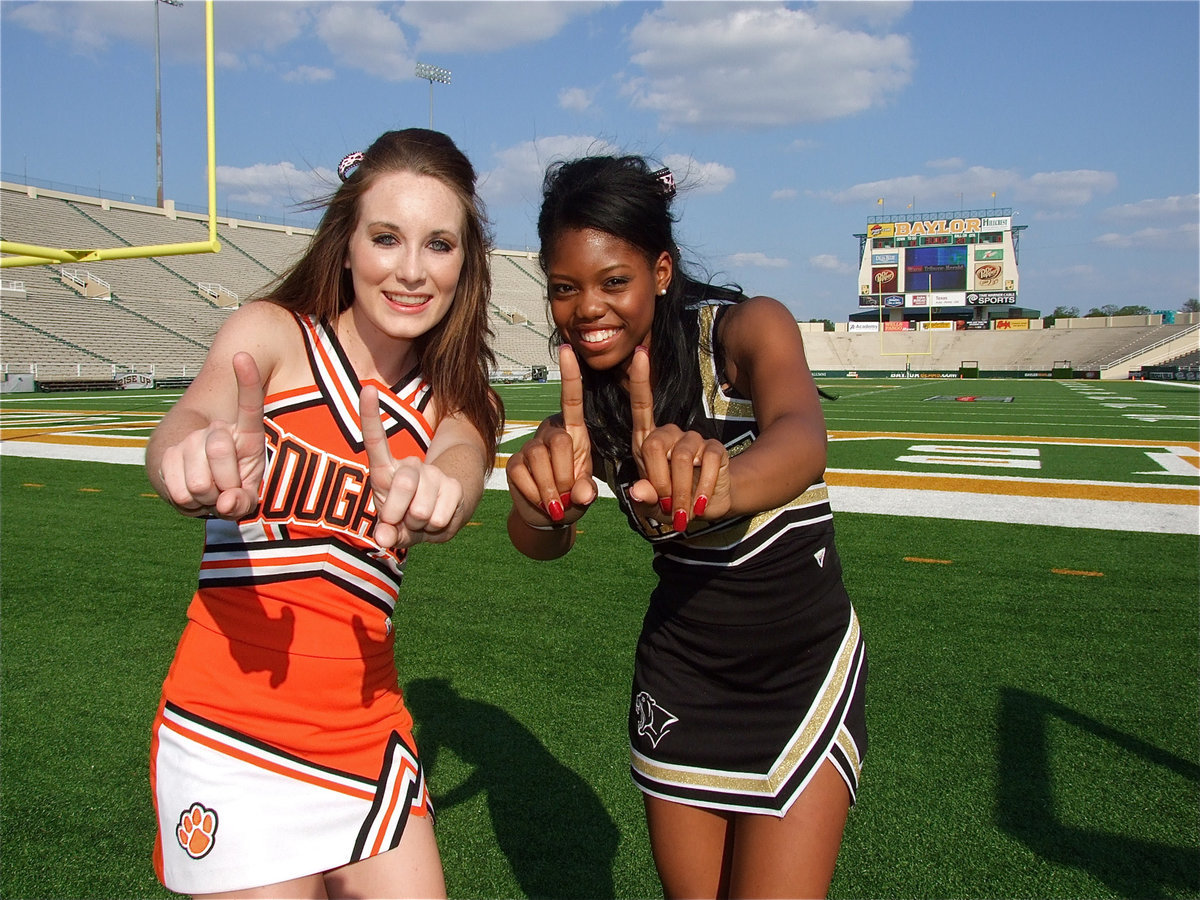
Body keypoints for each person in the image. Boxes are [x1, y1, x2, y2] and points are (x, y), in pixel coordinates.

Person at [144, 128, 502, 899]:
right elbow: (192, 417)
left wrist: (444, 489)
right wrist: (188, 458)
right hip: (230, 732)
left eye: (439, 245)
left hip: (368, 735)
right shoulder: (270, 336)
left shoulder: (461, 399)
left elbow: (461, 459)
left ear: (465, 263)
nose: (411, 270)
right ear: (345, 245)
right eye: (386, 238)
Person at [505, 155, 867, 899]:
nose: (588, 309)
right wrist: (544, 508)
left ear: (661, 270)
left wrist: (718, 485)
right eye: (564, 289)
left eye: (614, 281)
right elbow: (543, 543)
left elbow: (802, 438)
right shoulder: (584, 408)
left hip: (799, 672)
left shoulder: (745, 330)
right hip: (682, 681)